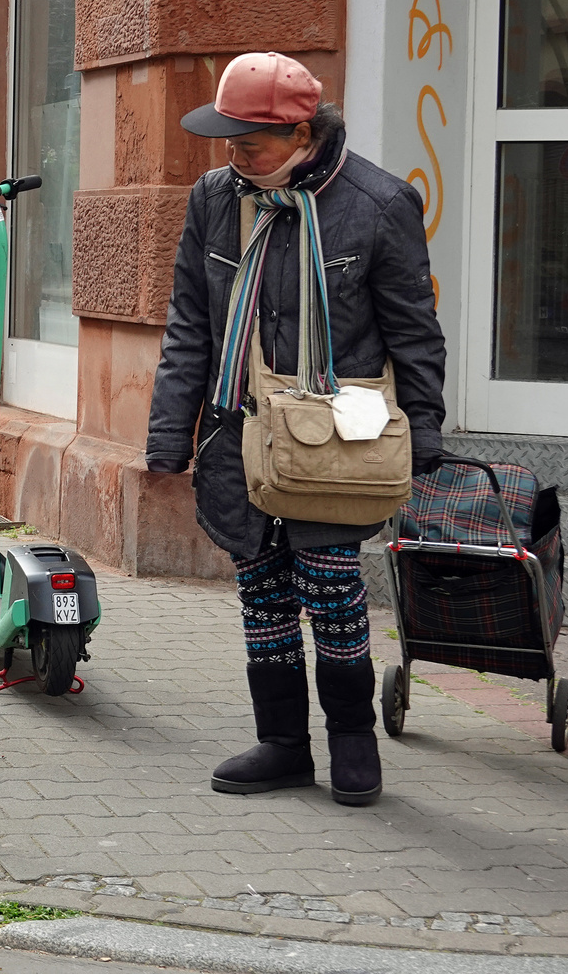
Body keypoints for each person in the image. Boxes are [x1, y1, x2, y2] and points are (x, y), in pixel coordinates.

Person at [146, 52, 446, 806]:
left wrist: (428, 429)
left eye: (250, 143)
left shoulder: (378, 204)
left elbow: (414, 332)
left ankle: (352, 741)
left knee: (332, 590)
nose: (234, 157)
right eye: (230, 142)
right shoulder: (216, 198)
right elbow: (190, 324)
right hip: (237, 433)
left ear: (303, 132)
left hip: (334, 440)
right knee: (263, 589)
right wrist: (167, 434)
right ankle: (282, 744)